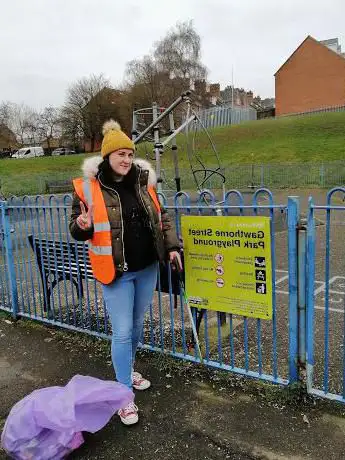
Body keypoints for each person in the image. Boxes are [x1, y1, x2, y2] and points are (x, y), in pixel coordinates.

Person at [69, 120, 181, 426]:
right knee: (121, 331)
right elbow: (76, 229)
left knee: (135, 325)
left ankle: (127, 370)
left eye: (129, 154)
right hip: (116, 273)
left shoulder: (143, 182)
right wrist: (82, 226)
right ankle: (122, 395)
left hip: (146, 268)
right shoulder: (88, 189)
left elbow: (162, 217)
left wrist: (171, 247)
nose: (126, 160)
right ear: (107, 157)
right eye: (120, 154)